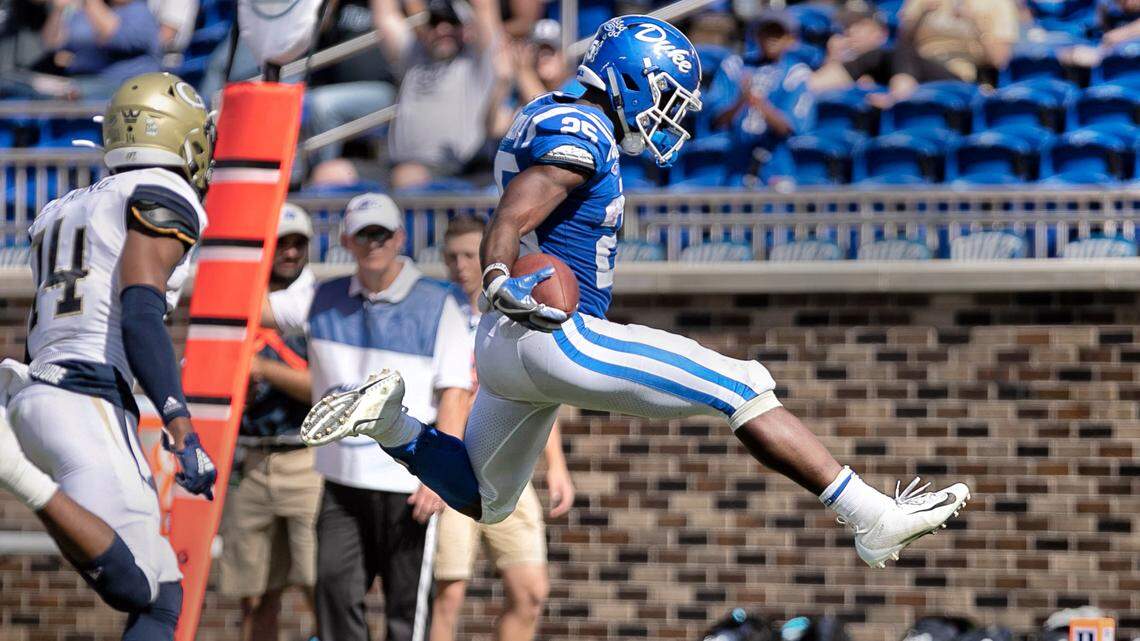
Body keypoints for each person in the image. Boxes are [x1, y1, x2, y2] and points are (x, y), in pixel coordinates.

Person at [301, 16, 970, 571]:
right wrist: (499, 275)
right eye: (663, 94)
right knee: (740, 385)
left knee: (486, 495)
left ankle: (391, 422)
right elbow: (511, 215)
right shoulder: (585, 133)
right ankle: (870, 515)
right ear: (627, 77)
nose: (667, 112)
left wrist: (503, 281)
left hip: (509, 345)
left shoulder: (549, 110)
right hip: (549, 333)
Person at [0, 71, 217, 640]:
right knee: (141, 588)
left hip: (38, 391)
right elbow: (140, 309)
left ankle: (18, 463)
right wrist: (180, 422)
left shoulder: (65, 205)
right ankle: (16, 472)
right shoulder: (163, 194)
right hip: (85, 398)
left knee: (162, 591)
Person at [262, 193, 473, 641]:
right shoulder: (321, 296)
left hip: (409, 486)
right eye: (364, 235)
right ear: (346, 241)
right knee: (335, 602)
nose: (373, 243)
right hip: (341, 484)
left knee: (406, 615)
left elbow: (455, 394)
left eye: (381, 233)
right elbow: (245, 309)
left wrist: (438, 476)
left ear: (400, 237)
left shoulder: (440, 304)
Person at [429, 214, 575, 641]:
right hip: (453, 467)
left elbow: (539, 396)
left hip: (509, 467)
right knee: (448, 595)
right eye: (451, 256)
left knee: (530, 592)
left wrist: (558, 467)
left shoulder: (515, 314)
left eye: (469, 254)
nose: (460, 265)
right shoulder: (433, 312)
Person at [220, 203, 319, 641]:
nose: (291, 252)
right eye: (282, 243)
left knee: (320, 586)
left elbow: (327, 390)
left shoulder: (319, 303)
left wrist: (262, 368)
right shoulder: (237, 302)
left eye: (299, 243)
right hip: (250, 461)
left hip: (307, 458)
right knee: (255, 596)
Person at [374, 0, 504, 189]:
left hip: (453, 170)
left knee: (407, 176)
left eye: (452, 22)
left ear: (466, 29)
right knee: (331, 172)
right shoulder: (413, 56)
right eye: (434, 22)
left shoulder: (477, 62)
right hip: (397, 167)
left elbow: (485, 8)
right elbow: (385, 15)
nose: (443, 30)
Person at [708, 11, 815, 186]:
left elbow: (789, 127)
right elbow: (715, 120)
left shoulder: (795, 73)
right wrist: (741, 100)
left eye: (778, 33)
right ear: (756, 35)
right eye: (767, 32)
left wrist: (757, 102)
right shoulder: (736, 66)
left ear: (790, 38)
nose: (771, 38)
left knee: (777, 210)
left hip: (777, 163)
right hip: (737, 161)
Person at [34, 0, 161, 99]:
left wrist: (91, 2)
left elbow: (113, 36)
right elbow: (50, 44)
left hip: (122, 93)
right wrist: (58, 10)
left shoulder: (139, 11)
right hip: (78, 86)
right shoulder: (84, 13)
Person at [898, 0, 1019, 83]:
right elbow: (902, 45)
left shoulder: (997, 3)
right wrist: (921, 14)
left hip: (966, 74)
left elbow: (999, 60)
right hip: (920, 65)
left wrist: (976, 24)